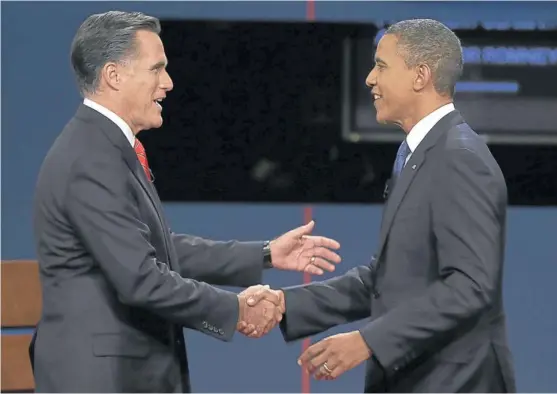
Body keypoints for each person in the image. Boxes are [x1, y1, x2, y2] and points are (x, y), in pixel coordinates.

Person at [30, 11, 342, 393]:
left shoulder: (107, 148)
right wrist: (236, 309)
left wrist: (264, 254)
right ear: (114, 76)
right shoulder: (91, 158)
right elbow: (141, 279)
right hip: (102, 379)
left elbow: (156, 248)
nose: (168, 83)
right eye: (156, 69)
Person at [243, 19, 517, 392]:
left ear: (420, 76)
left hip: (456, 382)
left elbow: (470, 286)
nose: (370, 79)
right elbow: (386, 280)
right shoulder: (418, 155)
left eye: (382, 66)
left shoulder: (459, 158)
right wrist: (285, 303)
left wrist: (368, 341)